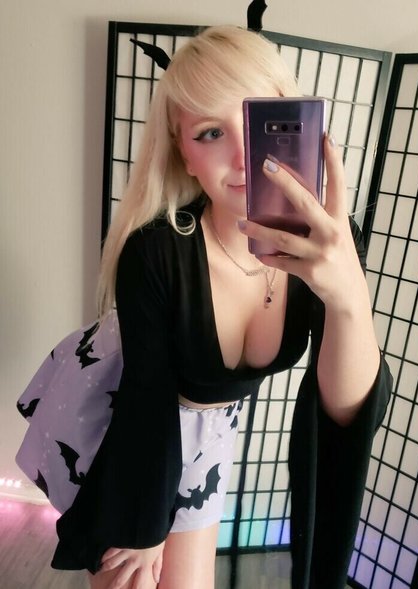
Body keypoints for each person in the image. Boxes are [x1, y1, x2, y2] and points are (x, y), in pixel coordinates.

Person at [50, 25, 392, 589]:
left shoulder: (326, 242)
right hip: (126, 423)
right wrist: (143, 526)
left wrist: (349, 299)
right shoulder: (157, 252)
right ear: (184, 155)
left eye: (260, 123)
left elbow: (346, 415)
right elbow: (146, 397)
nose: (243, 156)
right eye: (210, 132)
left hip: (208, 433)